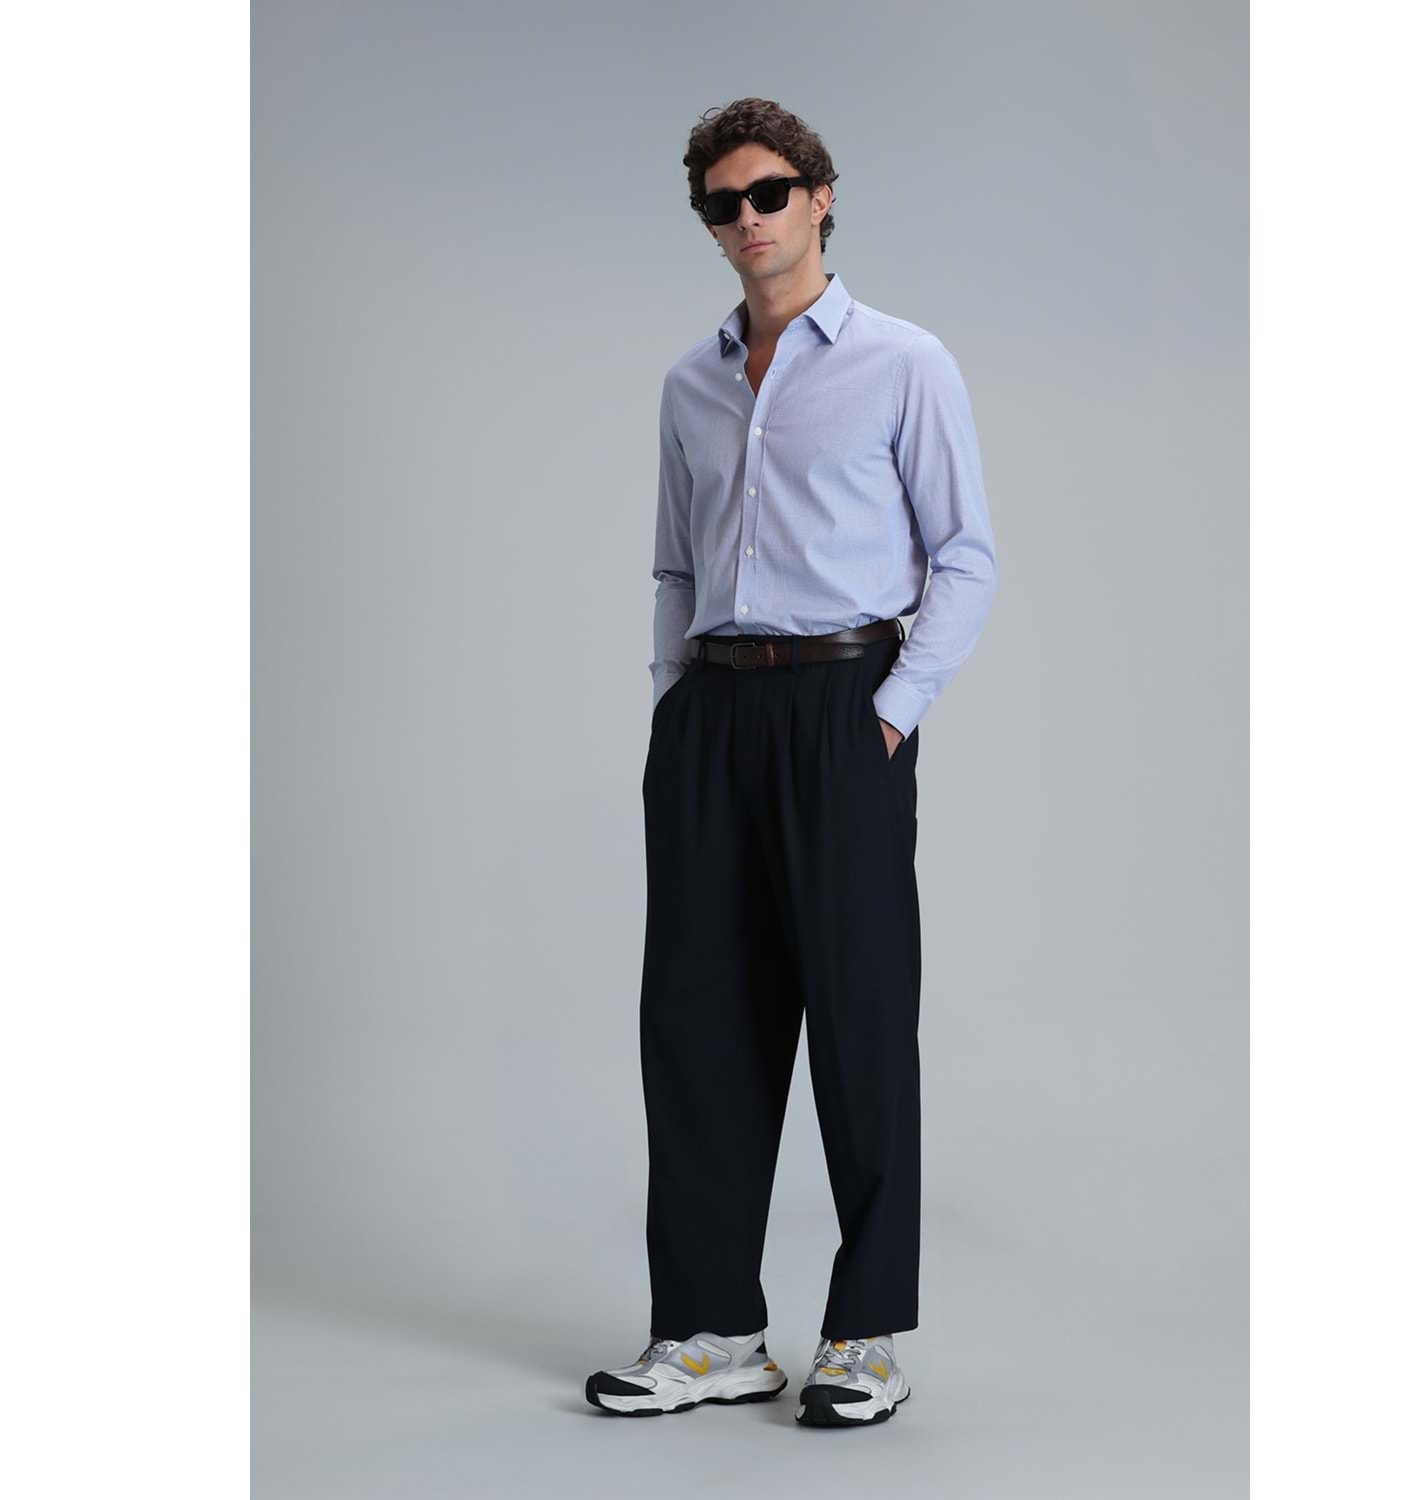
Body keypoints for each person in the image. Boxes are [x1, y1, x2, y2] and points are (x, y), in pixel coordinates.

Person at [585, 98, 997, 1428]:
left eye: (769, 192)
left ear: (821, 196)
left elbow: (966, 556)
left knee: (860, 1021)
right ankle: (713, 1330)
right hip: (712, 715)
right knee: (697, 1025)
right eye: (723, 203)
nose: (748, 218)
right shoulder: (690, 386)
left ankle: (865, 1335)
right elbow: (672, 566)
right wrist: (672, 706)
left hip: (842, 705)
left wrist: (893, 710)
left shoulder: (905, 363)